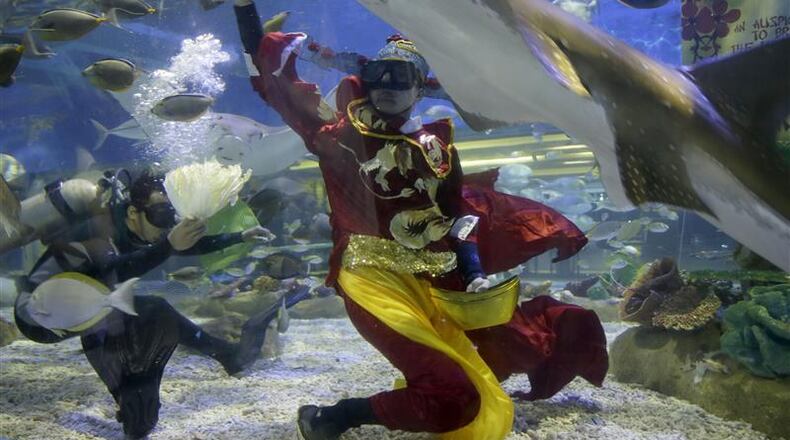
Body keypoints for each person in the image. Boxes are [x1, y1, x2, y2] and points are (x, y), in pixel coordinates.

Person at [234, 3, 609, 439]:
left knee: (472, 386)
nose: (389, 85)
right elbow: (273, 79)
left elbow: (457, 215)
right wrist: (245, 9)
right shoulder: (336, 135)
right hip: (370, 282)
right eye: (380, 74)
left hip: (434, 283)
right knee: (456, 396)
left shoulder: (437, 149)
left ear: (420, 89)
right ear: (366, 80)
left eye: (403, 77)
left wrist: (471, 274)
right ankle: (333, 417)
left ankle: (336, 416)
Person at [13, 171, 276, 439]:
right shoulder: (97, 233)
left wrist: (240, 237)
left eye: (171, 215)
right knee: (148, 310)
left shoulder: (134, 228)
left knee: (137, 310)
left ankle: (218, 359)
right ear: (132, 213)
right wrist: (169, 245)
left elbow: (180, 247)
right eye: (161, 214)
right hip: (40, 317)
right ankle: (133, 398)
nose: (167, 224)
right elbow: (116, 270)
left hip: (77, 307)